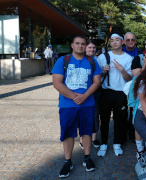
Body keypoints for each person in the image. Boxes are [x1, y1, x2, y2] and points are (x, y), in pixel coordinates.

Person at [51, 35, 102, 178]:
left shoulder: (92, 61)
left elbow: (96, 81)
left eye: (83, 44)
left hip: (88, 103)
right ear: (72, 45)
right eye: (77, 43)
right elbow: (57, 83)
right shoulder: (63, 60)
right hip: (67, 104)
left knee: (87, 132)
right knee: (68, 133)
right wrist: (75, 97)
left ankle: (87, 157)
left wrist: (84, 96)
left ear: (86, 46)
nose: (80, 46)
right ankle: (68, 161)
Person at [97, 31, 133, 157]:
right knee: (105, 119)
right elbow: (96, 77)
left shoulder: (129, 59)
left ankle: (117, 143)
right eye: (112, 40)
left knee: (119, 119)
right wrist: (102, 71)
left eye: (117, 40)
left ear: (122, 42)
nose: (114, 42)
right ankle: (104, 143)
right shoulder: (103, 57)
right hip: (106, 91)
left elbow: (130, 79)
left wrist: (122, 70)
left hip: (121, 93)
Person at [79, 39, 101, 149]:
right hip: (82, 91)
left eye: (93, 47)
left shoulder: (96, 60)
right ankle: (82, 139)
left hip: (95, 91)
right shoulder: (80, 59)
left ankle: (94, 138)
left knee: (95, 114)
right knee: (83, 115)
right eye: (89, 47)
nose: (92, 49)